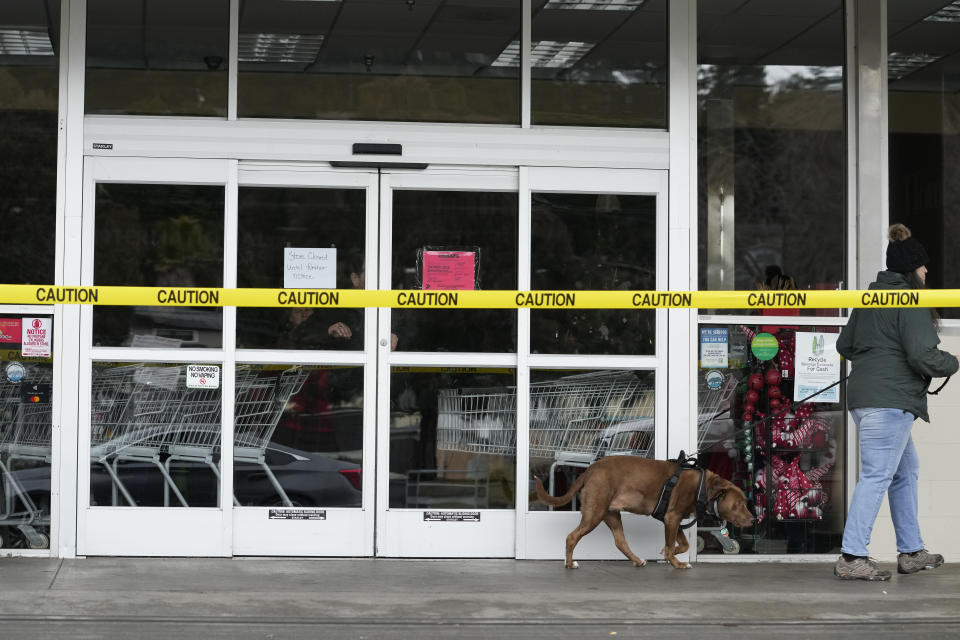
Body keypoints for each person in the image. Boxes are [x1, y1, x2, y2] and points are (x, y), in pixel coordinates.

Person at [833, 223, 959, 581]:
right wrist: (953, 362)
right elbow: (923, 356)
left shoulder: (870, 298)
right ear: (911, 269)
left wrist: (876, 348)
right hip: (889, 402)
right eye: (923, 267)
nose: (927, 272)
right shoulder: (910, 299)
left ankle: (911, 551)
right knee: (877, 476)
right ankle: (852, 556)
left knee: (905, 473)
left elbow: (845, 346)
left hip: (868, 400)